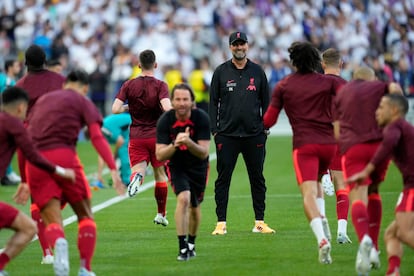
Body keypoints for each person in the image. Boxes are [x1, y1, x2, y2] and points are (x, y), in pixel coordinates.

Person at [25, 69, 124, 276]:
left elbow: (26, 135)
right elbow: (97, 137)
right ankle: (84, 269)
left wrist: (25, 179)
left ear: (65, 84)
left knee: (51, 217)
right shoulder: (82, 100)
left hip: (35, 161)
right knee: (85, 215)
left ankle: (58, 242)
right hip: (64, 157)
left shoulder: (42, 101)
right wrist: (113, 170)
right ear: (85, 87)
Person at [263, 41, 344, 264]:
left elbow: (269, 120)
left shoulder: (284, 85)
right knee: (318, 180)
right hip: (329, 146)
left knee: (307, 192)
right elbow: (347, 96)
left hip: (304, 145)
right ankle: (324, 218)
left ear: (293, 61)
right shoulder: (328, 82)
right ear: (317, 62)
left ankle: (321, 239)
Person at [334, 66, 403, 274]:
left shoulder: (342, 92)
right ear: (371, 78)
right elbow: (396, 89)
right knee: (374, 192)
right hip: (379, 147)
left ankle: (363, 237)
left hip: (354, 147)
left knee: (357, 196)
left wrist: (343, 145)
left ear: (354, 78)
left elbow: (336, 127)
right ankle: (374, 246)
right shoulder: (379, 87)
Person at [0, 86, 75, 276]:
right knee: (28, 229)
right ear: (20, 107)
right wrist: (60, 171)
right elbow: (32, 155)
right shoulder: (14, 124)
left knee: (28, 227)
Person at [209, 31, 275, 235]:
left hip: (254, 135)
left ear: (247, 46)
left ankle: (260, 222)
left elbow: (267, 102)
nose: (239, 48)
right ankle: (221, 223)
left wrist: (265, 127)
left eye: (242, 44)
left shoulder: (257, 71)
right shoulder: (221, 72)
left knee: (257, 178)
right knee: (223, 179)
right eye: (235, 44)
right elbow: (213, 102)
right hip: (227, 135)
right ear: (230, 47)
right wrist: (215, 130)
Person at [347, 94, 414, 276]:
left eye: (381, 107)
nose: (377, 112)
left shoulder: (394, 127)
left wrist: (366, 171)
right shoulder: (402, 127)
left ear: (393, 110)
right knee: (391, 234)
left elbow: (388, 144)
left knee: (405, 233)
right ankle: (393, 272)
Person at [15, 44, 66, 265]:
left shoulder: (19, 87)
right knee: (62, 193)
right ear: (45, 60)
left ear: (26, 63)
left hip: (31, 145)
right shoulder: (61, 81)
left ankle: (47, 252)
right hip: (59, 143)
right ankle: (55, 236)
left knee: (37, 198)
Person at [112, 49, 172, 226]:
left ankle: (137, 178)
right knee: (160, 175)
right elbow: (168, 109)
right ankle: (161, 214)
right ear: (155, 65)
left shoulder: (129, 85)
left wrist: (129, 108)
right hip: (157, 136)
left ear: (138, 65)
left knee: (137, 169)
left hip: (137, 136)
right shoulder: (161, 85)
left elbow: (115, 109)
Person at [155, 83, 210, 261]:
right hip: (176, 165)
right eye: (177, 99)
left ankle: (192, 243)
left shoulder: (201, 118)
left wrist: (188, 142)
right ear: (171, 101)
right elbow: (160, 154)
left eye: (185, 99)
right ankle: (182, 247)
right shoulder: (165, 120)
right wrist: (176, 144)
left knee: (195, 206)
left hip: (198, 166)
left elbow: (203, 152)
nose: (181, 103)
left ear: (192, 101)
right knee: (183, 198)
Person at [321, 48, 351, 244]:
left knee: (312, 189)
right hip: (340, 137)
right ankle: (342, 229)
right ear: (340, 64)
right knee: (343, 186)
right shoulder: (347, 87)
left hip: (318, 136)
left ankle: (323, 173)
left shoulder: (314, 84)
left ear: (323, 64)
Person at [0, 58, 22, 186]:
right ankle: (7, 173)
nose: (18, 67)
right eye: (16, 65)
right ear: (9, 67)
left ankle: (6, 173)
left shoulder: (10, 80)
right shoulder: (6, 81)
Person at [97, 112, 132, 186]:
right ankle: (124, 177)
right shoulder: (101, 131)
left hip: (132, 123)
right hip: (125, 127)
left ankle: (126, 180)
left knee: (123, 151)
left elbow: (120, 141)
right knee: (122, 150)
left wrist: (115, 155)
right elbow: (101, 154)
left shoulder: (104, 129)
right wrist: (99, 175)